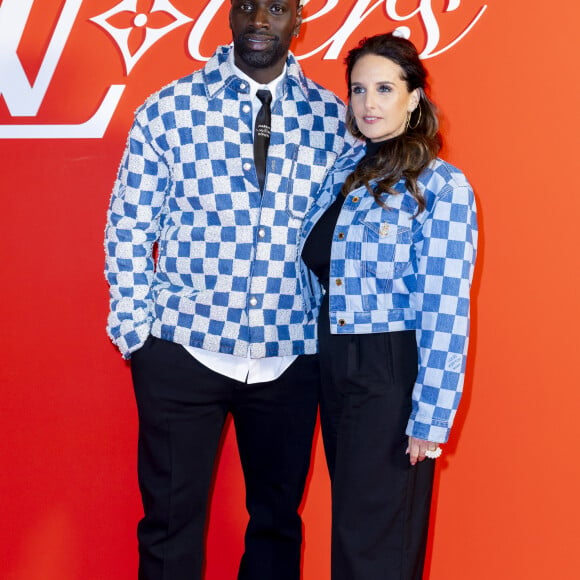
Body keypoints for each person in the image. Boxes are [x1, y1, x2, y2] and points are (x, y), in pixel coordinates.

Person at [104, 1, 355, 578]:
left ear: (298, 21)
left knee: (276, 524)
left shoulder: (333, 119)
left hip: (289, 354)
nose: (259, 20)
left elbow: (349, 235)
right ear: (229, 18)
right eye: (247, 6)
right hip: (182, 347)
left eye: (276, 8)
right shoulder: (169, 110)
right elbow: (129, 224)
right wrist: (136, 333)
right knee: (170, 524)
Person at [300, 33, 478, 580]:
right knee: (355, 528)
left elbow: (446, 306)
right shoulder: (343, 175)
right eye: (357, 90)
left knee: (377, 540)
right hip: (335, 361)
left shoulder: (441, 186)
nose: (368, 103)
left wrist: (431, 414)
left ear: (414, 97)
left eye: (384, 88)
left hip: (389, 366)